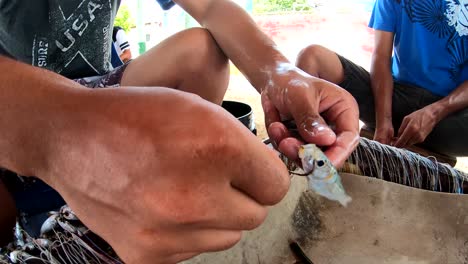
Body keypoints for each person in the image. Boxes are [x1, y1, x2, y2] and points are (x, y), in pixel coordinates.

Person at [0, 0, 359, 263]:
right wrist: (58, 134)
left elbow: (213, 7)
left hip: (94, 90)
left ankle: (163, 201)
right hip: (15, 117)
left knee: (200, 52)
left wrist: (280, 73)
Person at [296, 0, 468, 157]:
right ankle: (309, 156)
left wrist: (435, 112)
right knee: (311, 57)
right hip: (393, 100)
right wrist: (383, 121)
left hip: (451, 116)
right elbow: (380, 58)